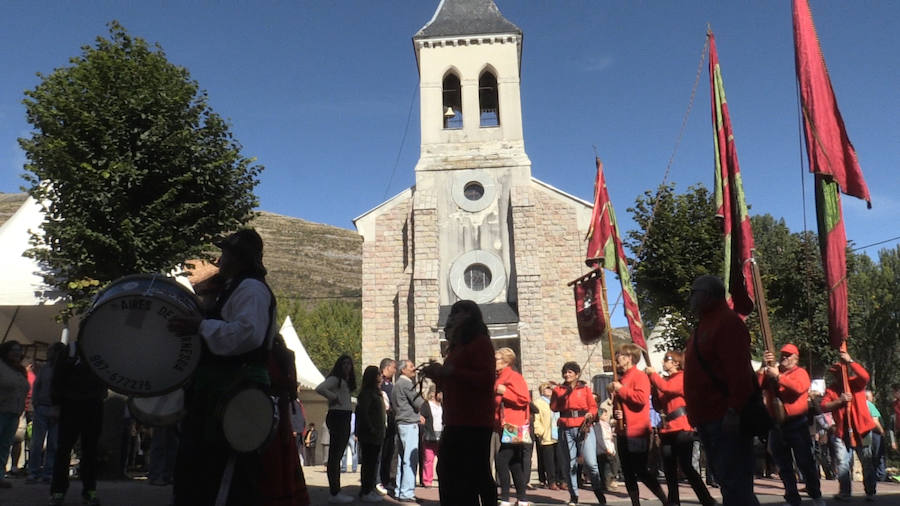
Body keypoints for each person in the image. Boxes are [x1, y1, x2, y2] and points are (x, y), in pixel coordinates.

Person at [169, 228, 277, 506]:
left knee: (226, 474)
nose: (220, 260)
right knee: (205, 470)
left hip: (236, 388)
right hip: (222, 387)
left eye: (225, 254)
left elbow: (248, 334)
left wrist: (201, 325)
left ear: (239, 258)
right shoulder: (234, 288)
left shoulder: (251, 289)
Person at [683, 275, 759, 506]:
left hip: (724, 418)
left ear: (707, 295)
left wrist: (734, 411)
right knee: (729, 484)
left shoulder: (727, 323)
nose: (691, 298)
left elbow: (739, 373)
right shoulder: (705, 324)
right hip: (708, 418)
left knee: (736, 486)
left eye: (694, 292)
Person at [421, 300, 496, 505]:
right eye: (452, 312)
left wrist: (451, 372)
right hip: (455, 419)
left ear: (471, 316)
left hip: (474, 420)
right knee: (449, 472)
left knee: (476, 474)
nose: (452, 316)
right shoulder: (457, 348)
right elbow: (452, 382)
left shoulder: (480, 342)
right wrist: (437, 374)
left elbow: (486, 379)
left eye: (458, 312)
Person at [756, 344, 824, 506]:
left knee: (805, 462)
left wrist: (778, 377)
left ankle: (816, 495)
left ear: (796, 358)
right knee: (783, 464)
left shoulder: (800, 373)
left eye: (788, 355)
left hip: (796, 423)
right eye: (783, 355)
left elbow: (798, 388)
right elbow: (757, 385)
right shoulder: (773, 371)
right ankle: (792, 497)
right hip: (777, 424)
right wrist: (763, 366)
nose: (784, 358)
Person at [646, 350, 715, 506]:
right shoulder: (665, 380)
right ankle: (673, 502)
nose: (664, 362)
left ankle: (706, 499)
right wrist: (655, 392)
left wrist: (653, 376)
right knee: (669, 469)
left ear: (676, 362)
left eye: (666, 359)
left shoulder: (682, 377)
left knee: (686, 466)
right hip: (668, 428)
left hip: (682, 426)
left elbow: (668, 388)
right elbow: (658, 406)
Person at [49, 342, 107, 506]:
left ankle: (89, 490)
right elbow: (57, 377)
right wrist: (55, 404)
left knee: (90, 451)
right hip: (71, 404)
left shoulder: (100, 350)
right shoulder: (70, 351)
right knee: (64, 450)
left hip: (93, 404)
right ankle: (58, 491)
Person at [609, 344, 668, 506]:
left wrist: (621, 390)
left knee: (641, 471)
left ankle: (665, 500)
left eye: (620, 354)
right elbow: (619, 405)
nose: (617, 357)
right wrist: (617, 413)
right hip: (622, 431)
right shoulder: (621, 379)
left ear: (629, 358)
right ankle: (635, 503)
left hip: (637, 431)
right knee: (628, 472)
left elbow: (641, 399)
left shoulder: (639, 376)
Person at [820, 350, 877, 501]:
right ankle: (845, 491)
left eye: (839, 372)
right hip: (842, 432)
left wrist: (851, 360)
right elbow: (824, 406)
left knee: (867, 462)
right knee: (842, 463)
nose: (836, 375)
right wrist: (840, 400)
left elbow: (865, 376)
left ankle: (870, 491)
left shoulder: (856, 383)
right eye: (835, 373)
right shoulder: (832, 389)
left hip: (862, 430)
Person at [551, 361, 606, 506]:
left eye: (570, 372)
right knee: (570, 465)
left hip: (584, 428)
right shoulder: (559, 390)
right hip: (566, 428)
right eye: (565, 372)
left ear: (577, 374)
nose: (567, 375)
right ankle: (573, 495)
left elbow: (593, 407)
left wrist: (590, 414)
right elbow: (554, 408)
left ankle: (598, 491)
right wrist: (557, 395)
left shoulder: (585, 389)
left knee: (591, 463)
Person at [493, 347, 532, 506]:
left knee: (501, 460)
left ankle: (505, 499)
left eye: (496, 358)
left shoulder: (513, 376)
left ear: (506, 361)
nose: (493, 361)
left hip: (513, 425)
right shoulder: (498, 377)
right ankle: (522, 499)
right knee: (514, 463)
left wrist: (505, 392)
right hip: (504, 426)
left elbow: (524, 399)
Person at [316, 354, 357, 503]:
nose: (347, 366)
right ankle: (334, 492)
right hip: (338, 416)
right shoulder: (335, 379)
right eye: (344, 364)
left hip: (344, 416)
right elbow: (319, 388)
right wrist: (333, 397)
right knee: (335, 454)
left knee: (338, 454)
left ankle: (336, 490)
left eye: (349, 364)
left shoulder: (345, 381)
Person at [27, 342, 65, 484]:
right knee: (36, 442)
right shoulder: (45, 369)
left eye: (50, 351)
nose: (48, 353)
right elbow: (37, 386)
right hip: (42, 407)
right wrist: (36, 403)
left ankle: (48, 472)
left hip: (57, 408)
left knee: (53, 443)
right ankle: (33, 471)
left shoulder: (63, 369)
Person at [390, 359, 424, 503]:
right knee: (410, 458)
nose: (414, 368)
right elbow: (418, 402)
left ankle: (399, 489)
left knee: (402, 458)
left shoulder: (396, 385)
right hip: (409, 423)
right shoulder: (406, 384)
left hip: (400, 422)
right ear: (403, 369)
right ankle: (407, 492)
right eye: (411, 366)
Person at [0, 341, 30, 490]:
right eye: (14, 350)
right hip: (1, 410)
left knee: (5, 445)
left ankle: (0, 475)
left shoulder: (20, 370)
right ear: (5, 352)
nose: (17, 353)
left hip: (15, 412)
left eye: (19, 350)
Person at [355, 365, 386, 503]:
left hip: (377, 433)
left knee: (373, 463)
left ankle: (370, 488)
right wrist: (371, 428)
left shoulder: (376, 392)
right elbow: (364, 413)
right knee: (368, 463)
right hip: (369, 434)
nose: (381, 376)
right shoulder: (367, 393)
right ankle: (366, 490)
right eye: (378, 374)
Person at [533, 382, 560, 490]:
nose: (550, 390)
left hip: (558, 433)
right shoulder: (538, 402)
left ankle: (561, 480)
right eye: (547, 388)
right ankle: (551, 481)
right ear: (542, 391)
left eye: (551, 388)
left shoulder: (556, 401)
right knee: (549, 460)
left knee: (560, 459)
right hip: (547, 434)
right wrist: (541, 431)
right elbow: (536, 419)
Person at [376, 358, 396, 496]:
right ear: (386, 368)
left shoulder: (391, 385)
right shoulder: (380, 384)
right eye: (393, 368)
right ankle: (377, 480)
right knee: (380, 453)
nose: (395, 371)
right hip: (382, 421)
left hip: (392, 422)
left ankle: (386, 478)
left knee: (389, 452)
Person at [418, 387, 442, 488]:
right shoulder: (427, 405)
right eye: (440, 393)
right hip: (429, 435)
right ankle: (427, 481)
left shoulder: (442, 405)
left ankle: (442, 478)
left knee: (442, 459)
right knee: (428, 459)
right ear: (434, 393)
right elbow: (421, 416)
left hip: (441, 435)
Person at [865, 390, 887, 482]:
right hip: (876, 434)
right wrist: (882, 431)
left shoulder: (864, 406)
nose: (873, 398)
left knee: (873, 456)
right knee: (879, 455)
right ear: (868, 397)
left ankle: (876, 476)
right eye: (871, 396)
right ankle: (881, 476)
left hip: (869, 434)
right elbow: (875, 421)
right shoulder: (870, 405)